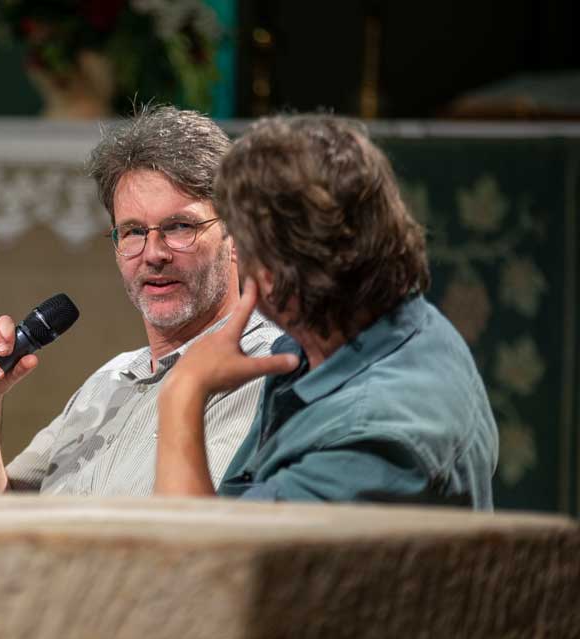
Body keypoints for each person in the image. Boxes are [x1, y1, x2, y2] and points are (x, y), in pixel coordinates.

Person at [153, 115, 497, 506]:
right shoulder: (355, 335)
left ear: (268, 276)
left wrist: (183, 391)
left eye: (240, 244)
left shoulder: (370, 441)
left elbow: (200, 558)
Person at [0, 104, 283, 495]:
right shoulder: (107, 384)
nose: (154, 253)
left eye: (180, 227)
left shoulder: (269, 373)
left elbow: (192, 536)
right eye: (134, 232)